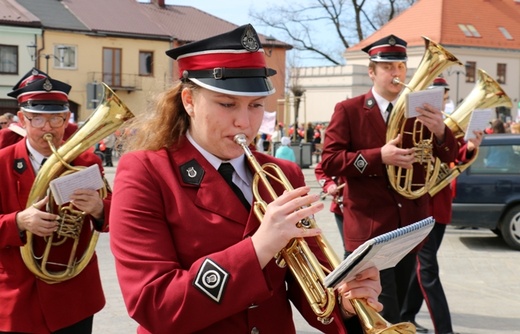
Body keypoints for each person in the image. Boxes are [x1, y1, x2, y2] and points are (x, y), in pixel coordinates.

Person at [109, 24, 383, 334]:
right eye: (227, 105)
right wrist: (259, 248)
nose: (245, 122)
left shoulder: (283, 174)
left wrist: (346, 304)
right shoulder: (145, 172)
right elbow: (154, 304)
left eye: (255, 106)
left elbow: (311, 287)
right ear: (189, 100)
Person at [320, 34, 458, 324]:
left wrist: (442, 133)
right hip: (370, 228)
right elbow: (330, 160)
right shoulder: (350, 109)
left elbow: (449, 156)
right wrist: (378, 156)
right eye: (387, 67)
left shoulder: (420, 109)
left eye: (400, 67)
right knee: (379, 311)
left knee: (391, 308)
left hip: (409, 226)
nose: (396, 73)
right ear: (372, 71)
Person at [0, 68, 111, 333]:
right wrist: (19, 221)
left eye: (57, 119)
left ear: (66, 119)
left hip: (74, 298)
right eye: (37, 119)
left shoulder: (87, 162)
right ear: (22, 119)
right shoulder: (2, 162)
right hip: (17, 298)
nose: (48, 128)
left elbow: (120, 215)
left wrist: (99, 209)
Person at [400, 77, 483, 334]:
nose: (444, 101)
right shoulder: (412, 123)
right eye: (440, 97)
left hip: (440, 204)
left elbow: (454, 157)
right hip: (420, 203)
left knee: (423, 266)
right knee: (428, 269)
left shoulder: (448, 125)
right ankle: (444, 330)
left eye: (445, 97)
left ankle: (406, 315)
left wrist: (470, 147)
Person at [314, 161, 346, 259]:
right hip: (344, 209)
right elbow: (320, 169)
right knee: (351, 250)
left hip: (377, 207)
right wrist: (329, 185)